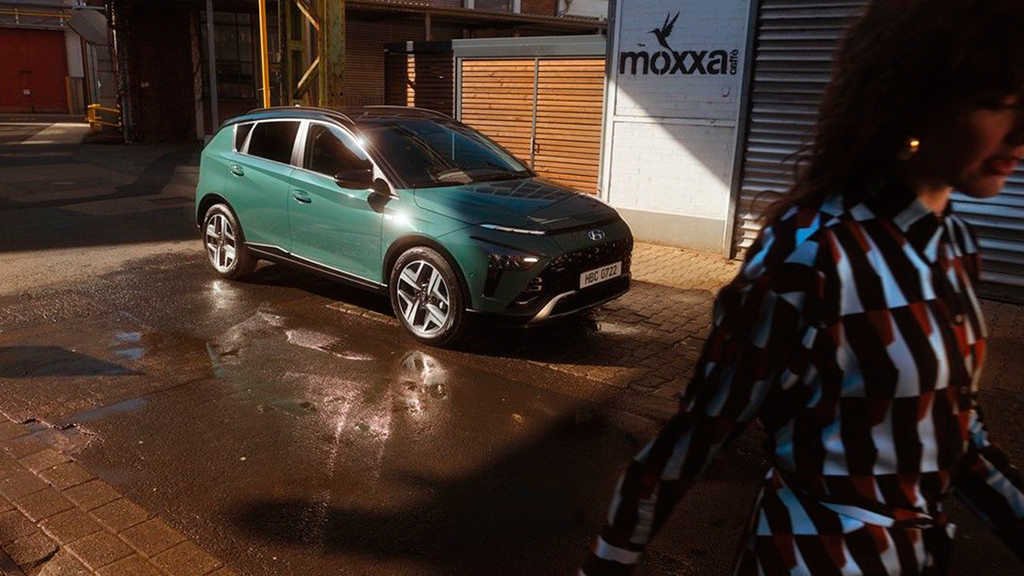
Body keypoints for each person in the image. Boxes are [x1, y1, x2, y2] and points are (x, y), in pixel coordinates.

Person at [582, 0, 1024, 573]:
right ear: (913, 98)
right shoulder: (814, 248)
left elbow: (958, 432)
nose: (1018, 132)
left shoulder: (954, 243)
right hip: (810, 557)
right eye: (995, 104)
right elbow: (699, 430)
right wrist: (609, 560)